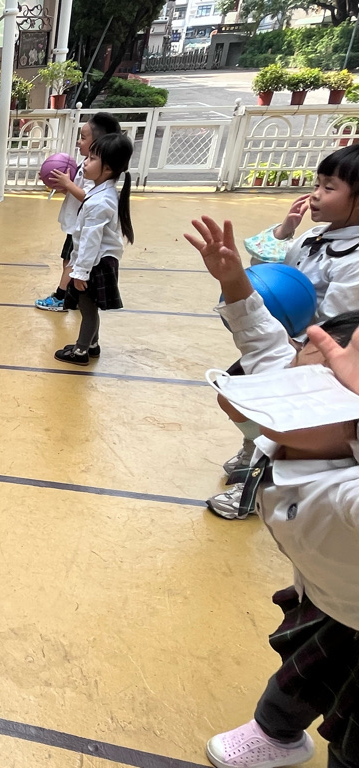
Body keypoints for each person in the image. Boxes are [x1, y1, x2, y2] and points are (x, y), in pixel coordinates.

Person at [185, 215, 359, 768]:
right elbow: (263, 340)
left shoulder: (349, 493)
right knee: (298, 674)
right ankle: (277, 734)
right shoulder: (296, 420)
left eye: (314, 394)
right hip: (330, 597)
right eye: (295, 375)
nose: (284, 393)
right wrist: (234, 282)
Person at [202, 144, 359, 518]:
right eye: (317, 184)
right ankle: (254, 448)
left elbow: (337, 323)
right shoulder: (312, 237)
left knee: (290, 427)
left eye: (329, 187)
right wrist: (285, 231)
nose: (315, 195)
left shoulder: (354, 259)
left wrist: (298, 344)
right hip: (285, 340)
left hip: (317, 362)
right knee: (233, 398)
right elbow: (268, 271)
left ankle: (251, 491)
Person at [53, 132, 134, 365]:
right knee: (89, 306)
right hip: (98, 261)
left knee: (87, 309)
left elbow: (90, 241)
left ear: (107, 168)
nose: (85, 163)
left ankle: (80, 351)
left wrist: (80, 272)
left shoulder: (100, 202)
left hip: (95, 263)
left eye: (92, 159)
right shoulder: (101, 193)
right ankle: (92, 344)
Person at [35, 113, 122, 312]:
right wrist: (57, 183)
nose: (78, 142)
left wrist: (67, 184)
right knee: (69, 260)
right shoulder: (88, 164)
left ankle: (61, 297)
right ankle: (71, 296)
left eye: (83, 137)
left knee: (71, 262)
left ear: (99, 142)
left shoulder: (97, 172)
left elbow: (88, 197)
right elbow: (76, 192)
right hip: (77, 224)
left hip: (83, 225)